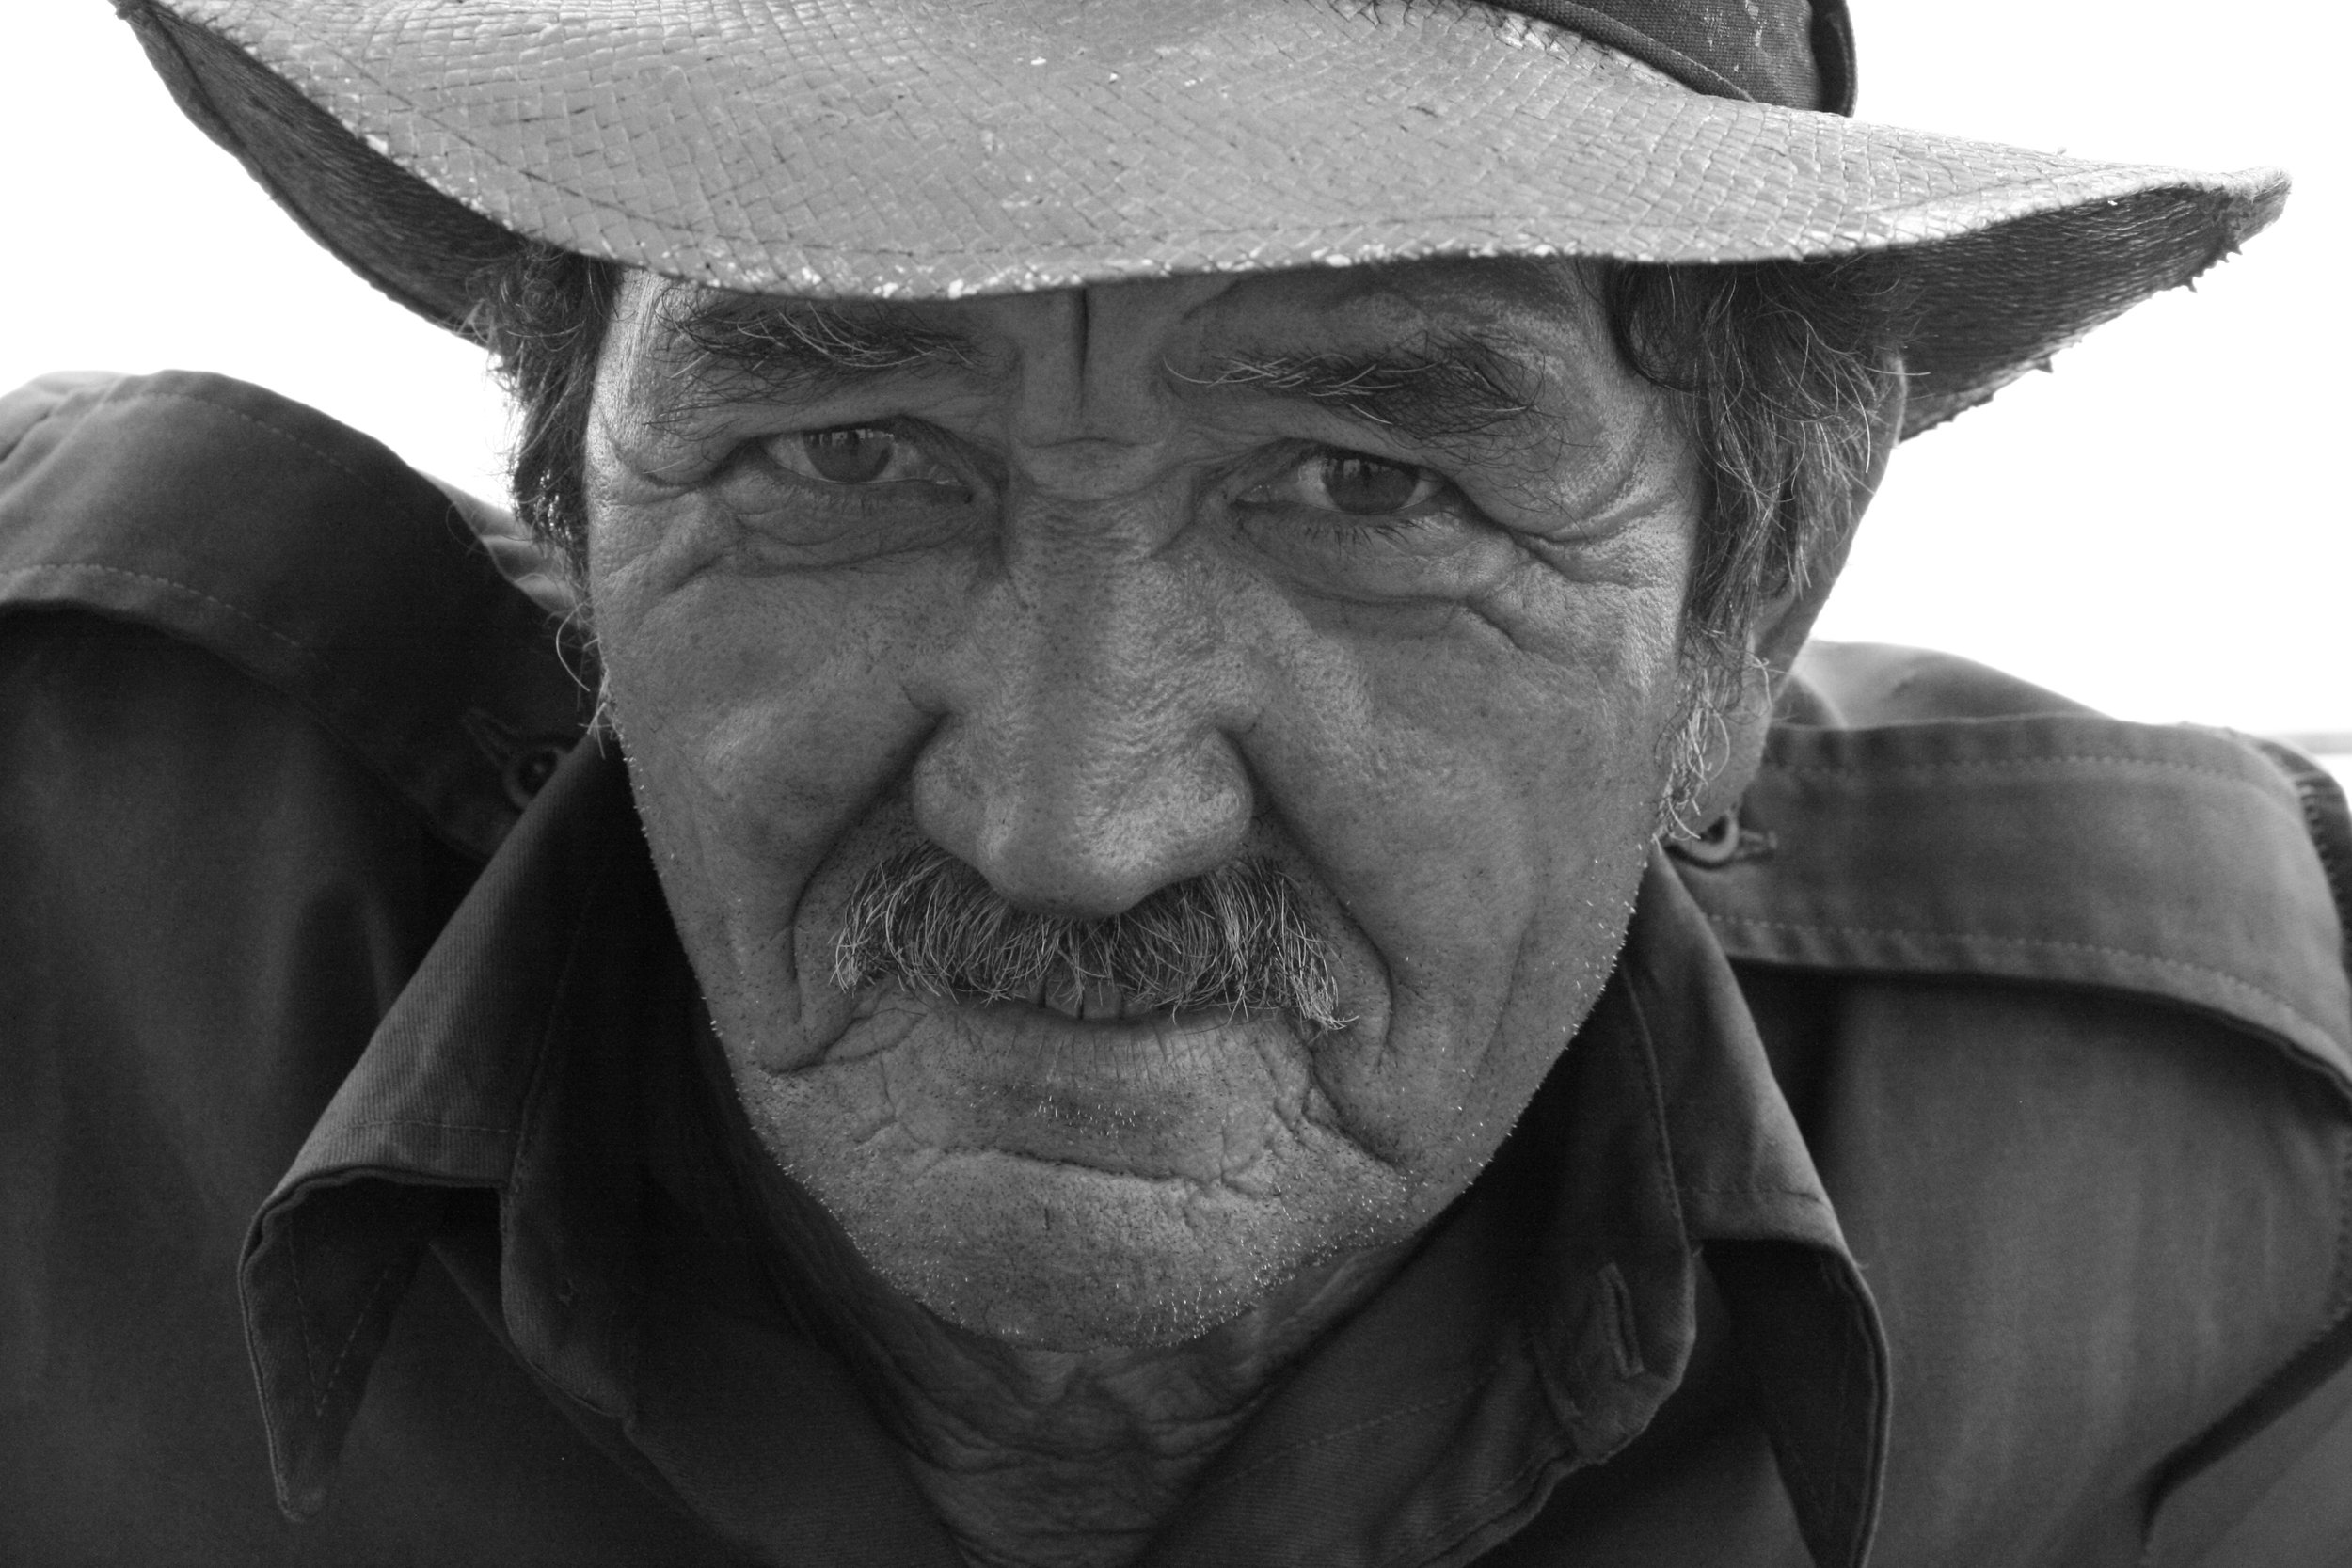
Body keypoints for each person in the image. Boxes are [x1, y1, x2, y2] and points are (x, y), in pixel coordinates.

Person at [3, 0, 2346, 1563]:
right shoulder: (63, 876)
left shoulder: (2241, 1193)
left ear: (1742, 604)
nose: (1067, 817)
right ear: (575, 521)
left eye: (1368, 489)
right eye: (846, 445)